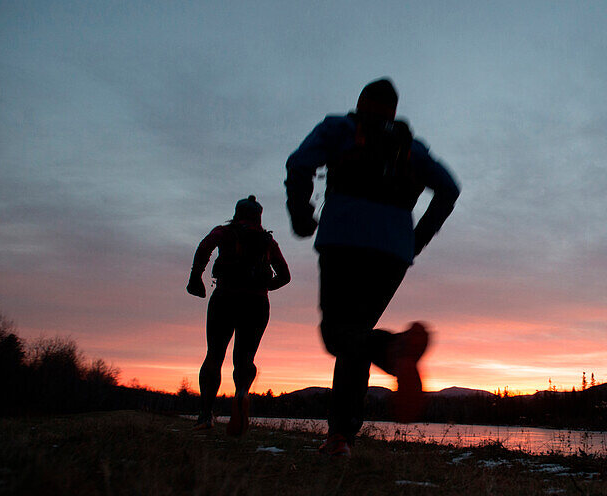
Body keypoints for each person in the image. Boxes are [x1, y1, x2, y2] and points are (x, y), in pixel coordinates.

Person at [285, 78, 460, 457]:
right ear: (394, 111)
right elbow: (449, 188)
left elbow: (299, 164)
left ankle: (393, 351)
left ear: (361, 103)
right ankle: (340, 438)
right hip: (392, 252)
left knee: (338, 335)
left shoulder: (339, 129)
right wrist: (416, 239)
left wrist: (300, 213)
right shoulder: (412, 149)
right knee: (355, 336)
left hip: (343, 240)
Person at [187, 195, 291, 435]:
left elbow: (204, 247)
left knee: (214, 355)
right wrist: (264, 289)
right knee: (245, 359)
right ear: (259, 217)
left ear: (237, 213)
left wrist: (196, 278)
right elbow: (285, 275)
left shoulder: (224, 232)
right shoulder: (268, 242)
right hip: (257, 304)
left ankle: (205, 414)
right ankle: (242, 393)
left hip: (225, 297)